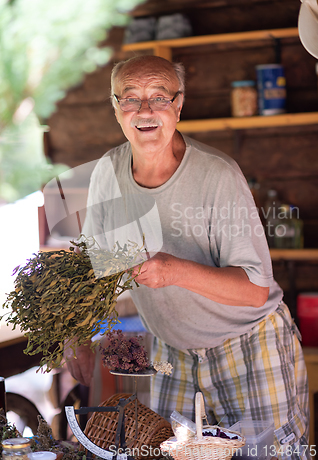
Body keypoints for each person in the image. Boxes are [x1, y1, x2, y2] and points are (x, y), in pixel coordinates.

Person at [65, 55, 309, 459]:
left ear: (179, 106)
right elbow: (96, 267)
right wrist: (77, 335)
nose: (145, 111)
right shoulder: (108, 172)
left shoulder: (218, 175)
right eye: (131, 98)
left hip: (248, 345)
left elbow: (254, 291)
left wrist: (173, 270)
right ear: (115, 108)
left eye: (159, 97)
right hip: (172, 352)